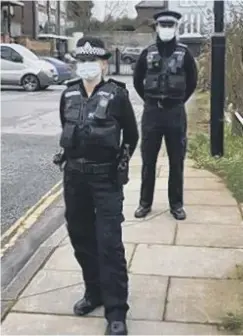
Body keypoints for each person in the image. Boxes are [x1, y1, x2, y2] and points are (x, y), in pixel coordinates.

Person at [58, 37, 139, 335]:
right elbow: (65, 131)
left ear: (104, 63)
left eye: (93, 60)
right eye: (82, 60)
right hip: (75, 178)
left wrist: (121, 165)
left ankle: (117, 310)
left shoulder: (117, 95)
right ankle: (94, 293)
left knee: (109, 243)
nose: (87, 66)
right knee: (80, 237)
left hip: (105, 179)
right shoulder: (67, 95)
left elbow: (131, 135)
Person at [133, 10, 198, 220]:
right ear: (157, 27)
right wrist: (151, 101)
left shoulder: (185, 53)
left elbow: (192, 82)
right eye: (163, 25)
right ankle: (145, 203)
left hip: (175, 113)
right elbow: (137, 80)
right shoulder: (147, 52)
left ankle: (176, 205)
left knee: (176, 161)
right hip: (152, 112)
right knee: (148, 160)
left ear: (176, 27)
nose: (166, 29)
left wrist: (176, 101)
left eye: (170, 25)